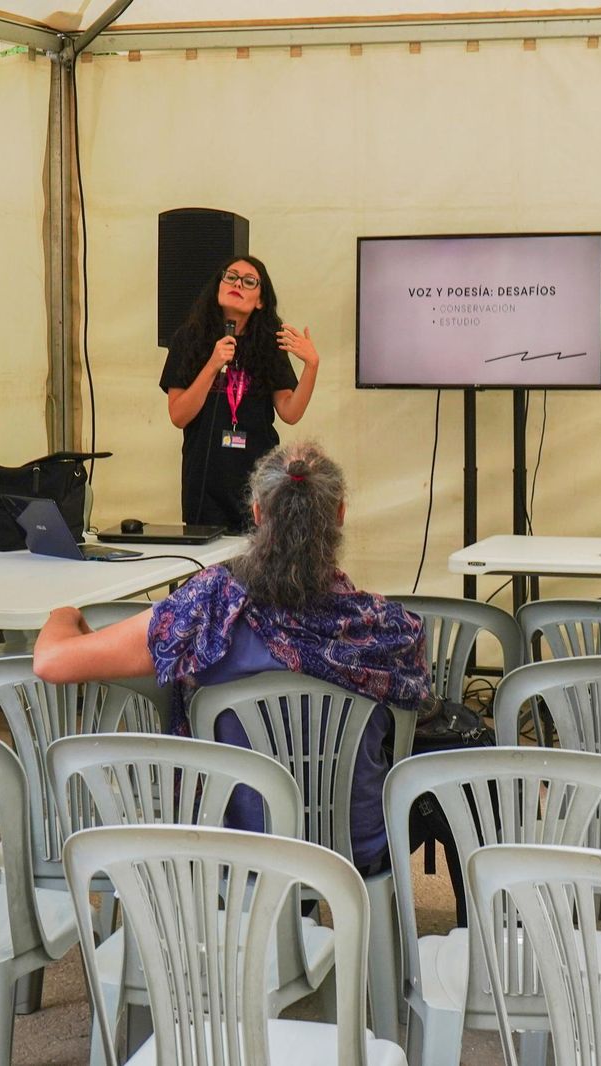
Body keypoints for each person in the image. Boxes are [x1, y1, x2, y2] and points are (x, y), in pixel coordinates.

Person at [35, 442, 428, 873]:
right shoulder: (389, 630)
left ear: (257, 513)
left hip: (236, 848)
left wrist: (64, 613)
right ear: (339, 515)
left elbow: (52, 662)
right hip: (357, 849)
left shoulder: (210, 608)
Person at [160, 255, 320, 532]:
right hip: (205, 481)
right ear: (218, 287)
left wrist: (312, 365)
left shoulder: (270, 344)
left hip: (257, 478)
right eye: (230, 277)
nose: (237, 284)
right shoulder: (187, 339)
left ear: (260, 300)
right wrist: (212, 364)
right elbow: (179, 415)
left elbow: (290, 412)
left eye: (249, 281)